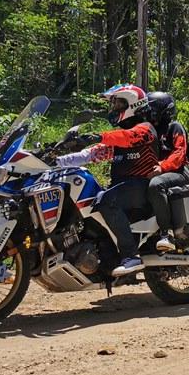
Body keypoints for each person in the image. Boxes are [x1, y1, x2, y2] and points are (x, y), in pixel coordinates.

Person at [56, 84, 158, 277]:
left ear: (133, 104)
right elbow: (90, 154)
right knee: (91, 201)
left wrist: (97, 136)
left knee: (106, 201)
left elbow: (128, 138)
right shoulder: (117, 139)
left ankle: (130, 256)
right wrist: (57, 160)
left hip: (143, 186)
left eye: (118, 103)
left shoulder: (144, 130)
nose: (113, 108)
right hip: (124, 188)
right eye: (113, 104)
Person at [144, 91, 189, 252]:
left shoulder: (174, 127)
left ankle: (166, 232)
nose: (149, 112)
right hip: (157, 171)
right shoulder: (149, 130)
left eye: (152, 109)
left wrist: (162, 167)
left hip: (178, 172)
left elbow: (179, 153)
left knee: (156, 185)